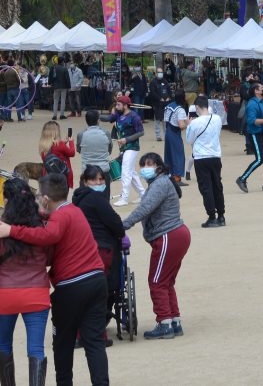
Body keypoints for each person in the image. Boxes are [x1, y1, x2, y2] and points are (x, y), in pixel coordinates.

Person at [0, 174, 109, 386]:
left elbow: (47, 236)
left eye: (38, 197)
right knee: (94, 342)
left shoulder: (59, 217)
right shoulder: (74, 211)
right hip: (97, 280)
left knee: (63, 343)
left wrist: (12, 229)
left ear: (46, 199)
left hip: (71, 287)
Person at [0, 177, 51, 386]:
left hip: (6, 294)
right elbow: (51, 255)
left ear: (7, 201)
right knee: (36, 349)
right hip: (37, 293)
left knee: (3, 344)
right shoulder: (42, 226)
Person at [121, 153, 191, 340]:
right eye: (142, 164)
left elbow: (145, 208)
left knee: (157, 281)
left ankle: (164, 323)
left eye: (149, 164)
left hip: (168, 235)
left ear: (159, 166)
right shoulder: (163, 182)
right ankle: (174, 321)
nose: (145, 167)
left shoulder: (159, 184)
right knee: (166, 281)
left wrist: (123, 224)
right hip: (176, 235)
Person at [72, 166, 125, 347]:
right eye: (94, 180)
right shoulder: (97, 199)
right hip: (102, 250)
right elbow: (115, 222)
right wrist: (120, 233)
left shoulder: (78, 200)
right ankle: (97, 335)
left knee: (84, 292)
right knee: (100, 292)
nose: (99, 183)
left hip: (81, 251)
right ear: (85, 181)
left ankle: (80, 333)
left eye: (101, 180)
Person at [187, 96, 225, 227]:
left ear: (197, 107)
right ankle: (221, 216)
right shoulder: (217, 118)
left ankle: (211, 216)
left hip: (201, 157)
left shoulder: (195, 123)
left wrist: (189, 124)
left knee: (206, 188)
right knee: (217, 186)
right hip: (215, 155)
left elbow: (189, 140)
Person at [110, 95, 146, 207]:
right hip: (124, 148)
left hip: (132, 147)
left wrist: (127, 139)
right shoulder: (119, 115)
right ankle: (143, 195)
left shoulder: (134, 117)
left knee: (125, 171)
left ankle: (124, 198)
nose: (116, 106)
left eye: (118, 104)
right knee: (132, 173)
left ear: (125, 106)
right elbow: (109, 119)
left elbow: (141, 132)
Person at [78, 110, 114, 195]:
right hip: (103, 171)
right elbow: (109, 150)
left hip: (87, 171)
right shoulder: (106, 133)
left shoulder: (81, 134)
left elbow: (79, 150)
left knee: (85, 200)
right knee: (104, 202)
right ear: (98, 120)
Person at [39, 120, 76, 188]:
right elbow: (72, 153)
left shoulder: (43, 145)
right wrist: (71, 142)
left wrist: (63, 142)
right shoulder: (60, 144)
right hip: (62, 175)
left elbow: (55, 150)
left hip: (48, 175)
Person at [162, 91, 189, 183]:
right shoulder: (181, 109)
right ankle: (177, 177)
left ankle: (169, 175)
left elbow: (164, 120)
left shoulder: (169, 105)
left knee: (169, 154)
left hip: (168, 132)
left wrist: (187, 121)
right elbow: (181, 126)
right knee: (178, 155)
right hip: (175, 133)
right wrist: (188, 125)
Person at [149, 70, 171, 142]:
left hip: (166, 103)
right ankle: (158, 135)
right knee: (157, 120)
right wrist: (159, 98)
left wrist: (168, 97)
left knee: (165, 120)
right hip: (157, 103)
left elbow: (169, 90)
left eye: (161, 72)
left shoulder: (165, 81)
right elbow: (153, 92)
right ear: (156, 73)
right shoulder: (153, 82)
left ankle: (166, 135)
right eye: (159, 72)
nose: (160, 73)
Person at [50, 56, 71, 120]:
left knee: (55, 100)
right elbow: (67, 78)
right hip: (63, 86)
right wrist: (69, 86)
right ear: (62, 62)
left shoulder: (53, 68)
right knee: (63, 100)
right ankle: (62, 115)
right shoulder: (64, 69)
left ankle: (54, 115)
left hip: (56, 86)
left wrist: (50, 83)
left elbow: (50, 76)